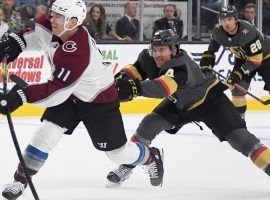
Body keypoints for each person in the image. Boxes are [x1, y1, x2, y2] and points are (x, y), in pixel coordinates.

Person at [0, 0, 164, 199]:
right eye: (53, 13)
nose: (52, 18)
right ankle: (20, 181)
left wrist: (22, 95)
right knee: (45, 134)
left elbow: (57, 90)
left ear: (73, 21)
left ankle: (150, 157)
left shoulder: (78, 50)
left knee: (117, 154)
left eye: (59, 16)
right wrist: (16, 43)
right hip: (71, 94)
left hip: (98, 98)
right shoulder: (52, 22)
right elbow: (35, 34)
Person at [106, 29, 270, 188]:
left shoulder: (180, 66)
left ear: (174, 49)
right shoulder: (149, 57)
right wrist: (121, 77)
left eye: (162, 50)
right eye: (154, 50)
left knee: (241, 140)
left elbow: (163, 88)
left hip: (210, 102)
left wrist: (135, 88)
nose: (157, 54)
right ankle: (128, 163)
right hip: (181, 102)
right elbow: (135, 69)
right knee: (149, 124)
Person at [199, 5, 270, 119]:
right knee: (237, 90)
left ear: (236, 19)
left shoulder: (247, 31)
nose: (226, 23)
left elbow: (255, 61)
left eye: (229, 19)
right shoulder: (218, 32)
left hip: (266, 57)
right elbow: (210, 52)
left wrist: (237, 74)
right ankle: (240, 122)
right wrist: (205, 65)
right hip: (243, 59)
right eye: (223, 20)